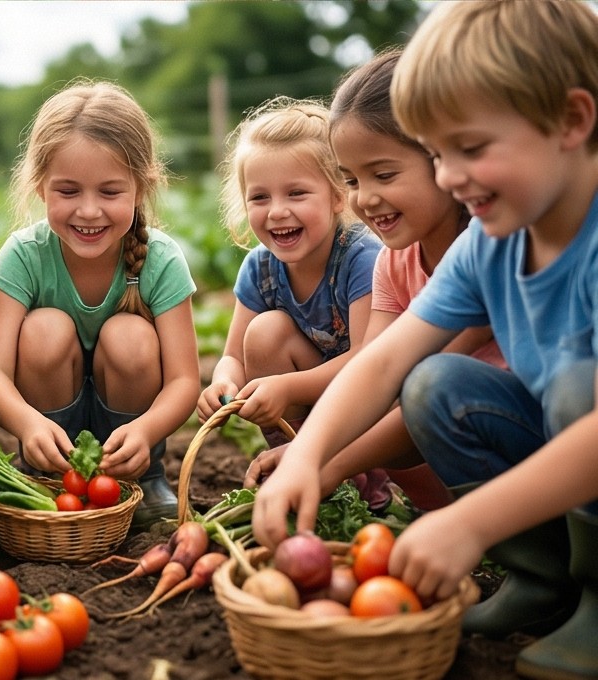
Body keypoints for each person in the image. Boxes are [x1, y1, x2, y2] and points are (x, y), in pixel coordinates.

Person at [251, 2, 598, 678]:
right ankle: (541, 577)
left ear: (573, 120)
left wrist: (468, 524)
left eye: (469, 149)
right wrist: (307, 456)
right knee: (435, 384)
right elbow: (384, 359)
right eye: (438, 155)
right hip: (565, 457)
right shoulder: (495, 243)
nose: (450, 177)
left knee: (577, 385)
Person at [244, 49, 506, 514]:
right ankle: (441, 516)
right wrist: (307, 455)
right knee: (393, 388)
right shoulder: (395, 260)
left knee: (423, 385)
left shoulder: (489, 249)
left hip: (525, 439)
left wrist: (326, 465)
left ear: (442, 158)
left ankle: (477, 523)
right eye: (351, 180)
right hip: (466, 440)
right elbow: (376, 367)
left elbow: (411, 396)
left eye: (383, 174)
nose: (365, 199)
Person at [0, 80, 200, 529]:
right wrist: (26, 426)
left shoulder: (160, 260)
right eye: (68, 191)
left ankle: (145, 476)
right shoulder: (24, 256)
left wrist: (146, 432)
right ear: (40, 186)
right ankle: (46, 474)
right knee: (45, 329)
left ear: (142, 186)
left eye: (110, 192)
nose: (89, 211)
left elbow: (184, 381)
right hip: (51, 438)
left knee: (130, 335)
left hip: (130, 447)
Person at [196, 97, 382, 502]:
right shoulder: (261, 269)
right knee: (264, 334)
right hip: (309, 402)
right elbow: (233, 357)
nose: (277, 211)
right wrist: (223, 381)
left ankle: (361, 477)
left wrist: (288, 387)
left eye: (296, 193)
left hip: (367, 410)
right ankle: (294, 462)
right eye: (260, 198)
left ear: (337, 197)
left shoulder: (361, 259)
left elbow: (370, 362)